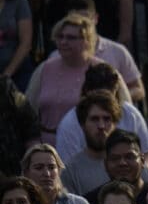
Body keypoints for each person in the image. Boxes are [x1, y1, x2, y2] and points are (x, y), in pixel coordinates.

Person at [55, 61, 148, 169]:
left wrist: (140, 173)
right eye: (94, 119)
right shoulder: (69, 124)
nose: (101, 125)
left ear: (116, 91)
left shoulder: (130, 113)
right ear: (87, 91)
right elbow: (68, 167)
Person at [26, 14, 107, 145]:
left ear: (87, 41)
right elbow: (28, 111)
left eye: (71, 38)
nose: (63, 42)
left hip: (85, 147)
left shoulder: (101, 70)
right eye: (60, 37)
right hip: (47, 149)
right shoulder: (44, 69)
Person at [61, 92, 123, 199]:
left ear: (115, 124)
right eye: (94, 119)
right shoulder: (70, 172)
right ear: (82, 124)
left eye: (107, 119)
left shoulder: (131, 166)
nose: (101, 126)